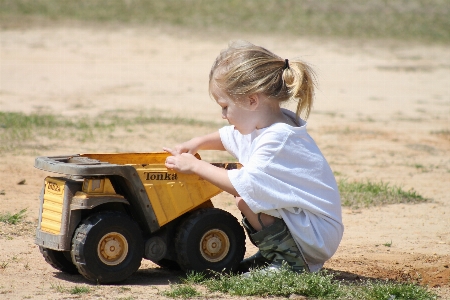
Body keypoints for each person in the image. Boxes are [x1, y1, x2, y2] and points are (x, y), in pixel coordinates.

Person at [163, 40, 343, 274]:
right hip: (311, 228)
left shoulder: (277, 140)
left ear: (251, 100)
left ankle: (289, 264)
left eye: (225, 106)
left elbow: (242, 183)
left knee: (245, 196)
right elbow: (229, 137)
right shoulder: (269, 123)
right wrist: (195, 143)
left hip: (315, 234)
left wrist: (196, 166)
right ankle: (274, 254)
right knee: (246, 199)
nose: (223, 115)